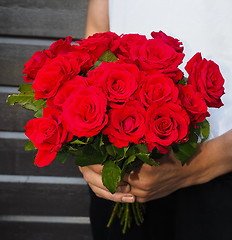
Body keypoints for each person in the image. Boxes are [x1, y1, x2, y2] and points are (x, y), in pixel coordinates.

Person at [80, 0, 232, 239]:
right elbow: (99, 31)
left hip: (220, 176)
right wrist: (87, 139)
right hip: (122, 170)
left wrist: (195, 169)